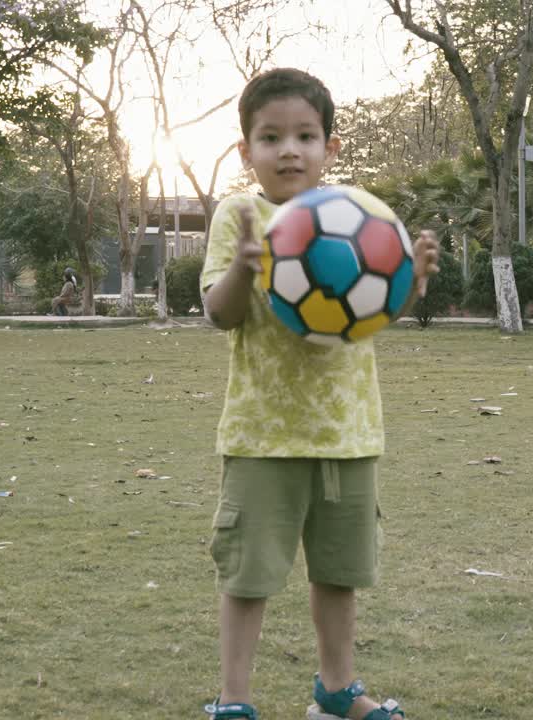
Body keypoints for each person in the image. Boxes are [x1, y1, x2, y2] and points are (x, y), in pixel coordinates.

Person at [199, 68, 439, 720]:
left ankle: (337, 691)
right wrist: (245, 269)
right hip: (262, 436)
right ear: (246, 148)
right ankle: (234, 701)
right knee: (248, 578)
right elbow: (219, 314)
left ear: (330, 147)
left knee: (340, 573)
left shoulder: (357, 216)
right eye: (270, 136)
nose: (289, 150)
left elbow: (372, 311)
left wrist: (409, 281)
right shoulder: (239, 216)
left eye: (305, 135)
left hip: (348, 434)